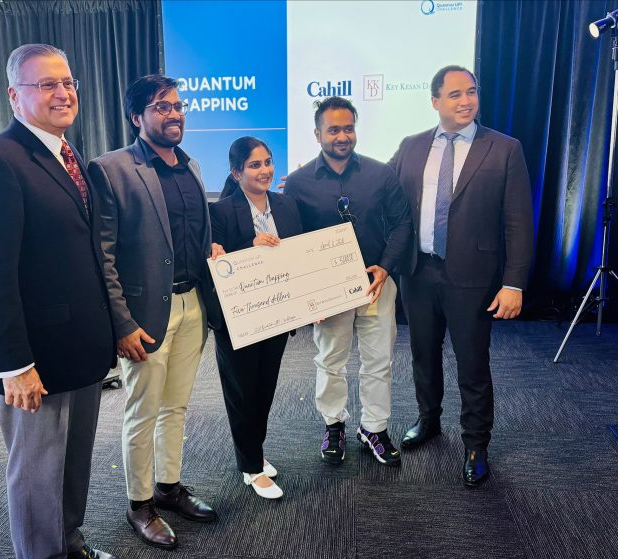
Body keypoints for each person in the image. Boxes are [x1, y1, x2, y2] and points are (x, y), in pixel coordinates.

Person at [0, 44, 119, 559]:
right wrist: (14, 365)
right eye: (47, 84)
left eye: (68, 82)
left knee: (73, 467)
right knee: (36, 474)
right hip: (35, 359)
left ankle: (69, 544)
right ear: (14, 96)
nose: (63, 92)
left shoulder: (69, 154)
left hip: (82, 349)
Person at [87, 74, 222, 550]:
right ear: (136, 117)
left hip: (192, 306)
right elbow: (102, 256)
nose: (174, 114)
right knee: (142, 411)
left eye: (178, 106)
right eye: (162, 107)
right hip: (145, 315)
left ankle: (168, 488)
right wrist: (122, 324)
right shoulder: (111, 169)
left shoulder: (192, 168)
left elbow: (191, 237)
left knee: (177, 406)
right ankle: (139, 504)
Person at [388, 65, 533, 487]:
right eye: (454, 94)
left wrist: (514, 282)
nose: (465, 101)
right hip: (418, 271)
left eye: (471, 92)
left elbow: (519, 222)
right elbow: (384, 192)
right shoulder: (412, 147)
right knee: (423, 354)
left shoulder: (505, 149)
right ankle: (428, 420)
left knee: (472, 363)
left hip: (474, 276)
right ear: (435, 101)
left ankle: (475, 443)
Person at [284, 97, 412, 468]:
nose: (343, 136)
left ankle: (374, 427)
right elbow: (293, 240)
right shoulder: (298, 183)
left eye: (348, 128)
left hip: (376, 284)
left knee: (379, 360)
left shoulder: (381, 174)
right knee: (330, 360)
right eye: (334, 129)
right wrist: (308, 296)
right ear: (317, 133)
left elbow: (403, 223)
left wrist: (386, 268)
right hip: (328, 292)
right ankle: (334, 424)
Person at [209, 137, 303, 499]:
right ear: (236, 172)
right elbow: (217, 265)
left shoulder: (287, 205)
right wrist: (250, 248)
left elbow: (298, 257)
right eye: (254, 165)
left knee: (264, 388)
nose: (264, 170)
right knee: (242, 393)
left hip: (277, 314)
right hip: (238, 321)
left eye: (268, 162)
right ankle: (251, 467)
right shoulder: (220, 211)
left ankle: (255, 454)